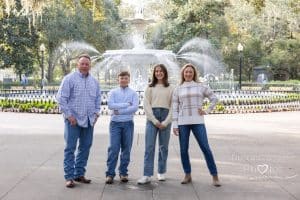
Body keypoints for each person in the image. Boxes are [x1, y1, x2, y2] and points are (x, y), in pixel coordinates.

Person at [172, 63, 221, 186]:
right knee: (183, 150)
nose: (188, 74)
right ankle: (187, 174)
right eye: (186, 72)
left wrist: (206, 110)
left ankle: (215, 176)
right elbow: (175, 107)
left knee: (205, 148)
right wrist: (175, 124)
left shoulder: (201, 86)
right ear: (183, 74)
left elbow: (214, 98)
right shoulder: (178, 88)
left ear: (194, 73)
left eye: (190, 72)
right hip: (183, 122)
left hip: (198, 121)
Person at [56, 54, 101, 188]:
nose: (85, 66)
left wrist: (96, 114)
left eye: (87, 64)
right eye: (82, 63)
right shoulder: (69, 79)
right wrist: (69, 116)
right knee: (70, 148)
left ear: (90, 65)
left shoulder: (94, 81)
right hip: (73, 121)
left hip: (88, 121)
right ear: (78, 64)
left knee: (85, 147)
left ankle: (79, 174)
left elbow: (98, 99)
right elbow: (61, 98)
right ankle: (69, 177)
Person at [137, 64, 174, 184]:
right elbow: (146, 105)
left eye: (161, 71)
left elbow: (174, 106)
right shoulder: (149, 87)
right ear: (154, 73)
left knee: (164, 147)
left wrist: (166, 121)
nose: (159, 73)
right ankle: (146, 174)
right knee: (149, 147)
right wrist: (154, 120)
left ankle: (161, 172)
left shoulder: (171, 88)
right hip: (152, 118)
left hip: (166, 117)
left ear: (165, 73)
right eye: (157, 71)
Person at [105, 71, 139, 184]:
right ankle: (110, 174)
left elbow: (134, 108)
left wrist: (118, 110)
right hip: (115, 124)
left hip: (128, 124)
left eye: (126, 78)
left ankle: (123, 173)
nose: (123, 80)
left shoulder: (134, 93)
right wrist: (126, 105)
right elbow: (110, 105)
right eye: (121, 78)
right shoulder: (113, 92)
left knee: (126, 149)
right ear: (118, 80)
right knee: (113, 149)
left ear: (129, 80)